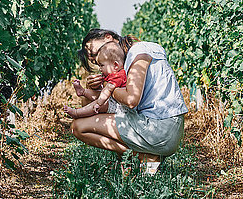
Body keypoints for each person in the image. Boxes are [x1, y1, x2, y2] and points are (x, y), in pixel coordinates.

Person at [71, 29, 188, 174]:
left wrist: (109, 88)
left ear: (109, 38)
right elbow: (93, 110)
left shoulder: (139, 51)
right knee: (91, 122)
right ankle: (143, 156)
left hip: (160, 128)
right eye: (96, 62)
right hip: (165, 127)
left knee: (79, 126)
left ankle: (143, 157)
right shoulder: (126, 64)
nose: (99, 63)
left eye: (96, 53)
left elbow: (131, 100)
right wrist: (89, 90)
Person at [64, 41, 127, 118]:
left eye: (101, 65)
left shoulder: (119, 75)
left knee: (100, 101)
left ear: (115, 65)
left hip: (122, 107)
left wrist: (99, 104)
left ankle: (77, 113)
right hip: (115, 100)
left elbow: (108, 89)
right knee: (98, 94)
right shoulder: (112, 74)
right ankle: (83, 91)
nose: (100, 69)